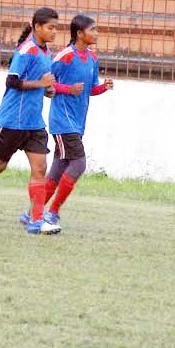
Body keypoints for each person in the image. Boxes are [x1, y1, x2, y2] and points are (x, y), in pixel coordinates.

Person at [0, 7, 62, 235]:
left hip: (34, 122)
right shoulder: (27, 51)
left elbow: (36, 82)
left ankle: (36, 220)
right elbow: (12, 81)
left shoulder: (46, 52)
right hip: (13, 121)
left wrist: (46, 90)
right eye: (50, 27)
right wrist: (40, 84)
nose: (55, 32)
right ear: (37, 27)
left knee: (40, 167)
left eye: (56, 27)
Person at [29, 14, 113, 227]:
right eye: (92, 30)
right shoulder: (65, 56)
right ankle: (52, 212)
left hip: (77, 122)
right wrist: (68, 88)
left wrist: (103, 87)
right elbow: (46, 82)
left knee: (58, 169)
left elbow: (89, 89)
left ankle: (32, 213)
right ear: (79, 33)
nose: (96, 33)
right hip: (62, 121)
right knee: (79, 163)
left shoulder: (93, 58)